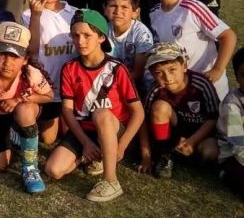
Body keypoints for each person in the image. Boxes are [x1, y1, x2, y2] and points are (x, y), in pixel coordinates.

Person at [45, 10, 144, 203]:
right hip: (84, 130)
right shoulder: (70, 68)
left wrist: (122, 145)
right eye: (75, 35)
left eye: (87, 35)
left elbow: (138, 112)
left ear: (100, 37)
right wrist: (85, 143)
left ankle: (111, 181)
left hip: (112, 128)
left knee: (101, 114)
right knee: (53, 170)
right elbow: (67, 110)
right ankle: (93, 156)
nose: (80, 41)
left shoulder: (117, 68)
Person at [0, 21, 53, 194]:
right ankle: (16, 139)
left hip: (21, 112)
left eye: (15, 56)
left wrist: (20, 99)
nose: (7, 62)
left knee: (24, 110)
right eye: (3, 54)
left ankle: (30, 167)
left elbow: (48, 96)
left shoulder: (32, 74)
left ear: (25, 59)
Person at [147, 0, 236, 100]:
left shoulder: (192, 8)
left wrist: (217, 70)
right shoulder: (154, 13)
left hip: (207, 83)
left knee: (215, 121)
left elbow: (228, 36)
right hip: (178, 85)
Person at [137, 42, 219, 180]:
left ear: (184, 66)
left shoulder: (202, 84)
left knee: (210, 152)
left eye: (172, 70)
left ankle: (184, 157)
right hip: (172, 135)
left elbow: (214, 118)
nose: (167, 78)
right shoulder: (155, 90)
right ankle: (164, 156)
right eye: (159, 73)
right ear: (152, 74)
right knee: (160, 107)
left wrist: (192, 141)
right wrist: (146, 155)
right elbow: (142, 121)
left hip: (199, 136)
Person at [21, 0, 77, 144]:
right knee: (47, 139)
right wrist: (36, 16)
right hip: (46, 90)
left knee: (66, 132)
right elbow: (32, 51)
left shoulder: (75, 14)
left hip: (70, 90)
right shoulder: (28, 14)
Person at [103, 0, 153, 93]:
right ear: (104, 9)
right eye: (113, 6)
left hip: (141, 86)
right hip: (113, 82)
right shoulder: (104, 31)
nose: (118, 12)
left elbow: (138, 73)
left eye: (124, 7)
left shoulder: (141, 34)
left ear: (135, 12)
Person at [217, 48, 244, 197]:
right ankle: (226, 175)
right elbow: (238, 145)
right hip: (234, 157)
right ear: (237, 77)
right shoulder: (232, 104)